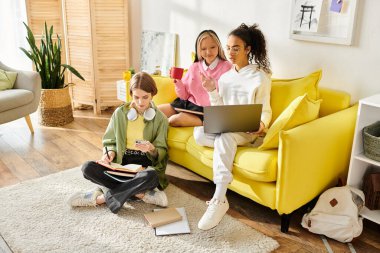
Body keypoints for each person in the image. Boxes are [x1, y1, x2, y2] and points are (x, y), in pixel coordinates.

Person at [193, 23, 272, 230]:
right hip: (229, 126)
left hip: (248, 132)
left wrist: (261, 124)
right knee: (199, 133)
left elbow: (266, 110)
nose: (230, 53)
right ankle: (229, 149)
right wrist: (212, 90)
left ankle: (219, 199)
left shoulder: (260, 77)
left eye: (236, 48)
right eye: (228, 48)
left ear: (248, 49)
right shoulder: (225, 77)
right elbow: (221, 109)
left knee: (225, 137)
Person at [68, 72, 169, 214]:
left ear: (152, 94)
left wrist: (152, 148)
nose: (141, 102)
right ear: (131, 94)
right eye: (136, 97)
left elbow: (162, 152)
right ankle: (140, 194)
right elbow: (110, 140)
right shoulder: (120, 114)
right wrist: (109, 153)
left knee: (151, 176)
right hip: (121, 163)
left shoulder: (161, 119)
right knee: (87, 168)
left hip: (144, 167)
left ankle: (101, 198)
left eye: (145, 97)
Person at [158, 30, 232, 127]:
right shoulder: (195, 67)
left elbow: (228, 97)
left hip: (206, 112)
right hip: (186, 105)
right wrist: (178, 82)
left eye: (212, 47)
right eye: (203, 49)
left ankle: (205, 122)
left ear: (219, 47)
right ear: (198, 50)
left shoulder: (227, 67)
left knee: (173, 120)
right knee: (154, 111)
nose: (208, 52)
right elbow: (184, 96)